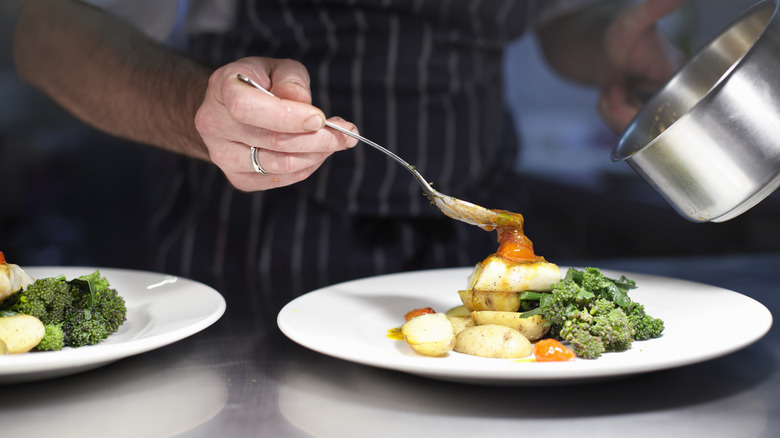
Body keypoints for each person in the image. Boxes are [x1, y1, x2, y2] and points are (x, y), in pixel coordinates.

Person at [13, 0, 685, 314]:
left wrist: (606, 42)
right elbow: (43, 30)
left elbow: (557, 22)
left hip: (475, 218)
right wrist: (196, 106)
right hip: (255, 232)